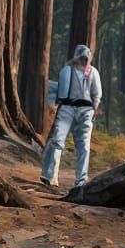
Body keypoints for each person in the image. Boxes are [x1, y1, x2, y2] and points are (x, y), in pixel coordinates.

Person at [41, 43, 102, 192]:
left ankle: (81, 181)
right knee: (58, 140)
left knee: (84, 146)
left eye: (86, 56)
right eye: (82, 56)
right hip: (67, 108)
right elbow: (61, 92)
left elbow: (97, 93)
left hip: (86, 110)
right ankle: (50, 176)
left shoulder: (93, 72)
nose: (84, 59)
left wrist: (93, 109)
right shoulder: (67, 70)